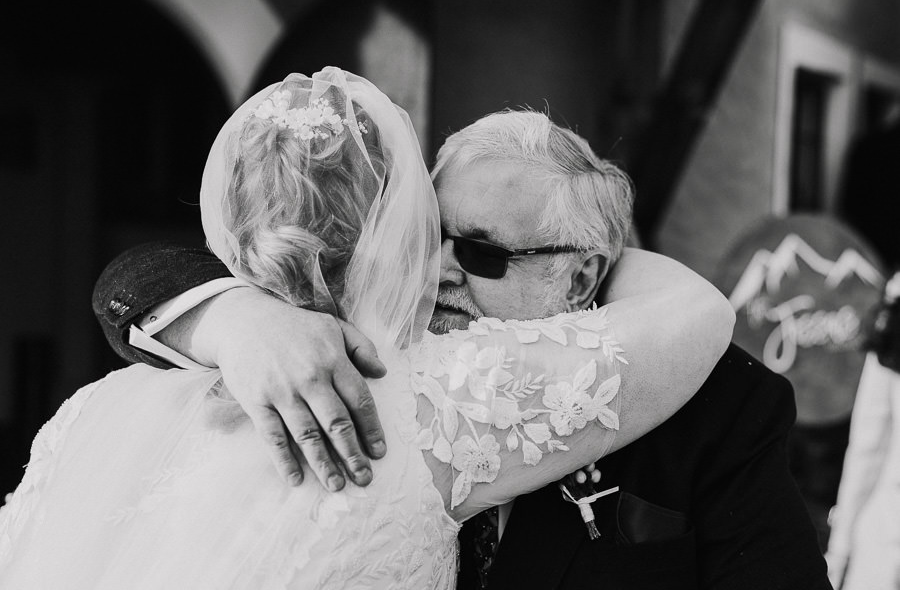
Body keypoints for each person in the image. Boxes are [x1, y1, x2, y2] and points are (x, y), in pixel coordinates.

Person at [0, 69, 734, 589]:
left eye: (480, 252)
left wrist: (225, 312)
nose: (445, 266)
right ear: (400, 228)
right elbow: (698, 310)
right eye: (435, 233)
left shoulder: (92, 411)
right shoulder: (431, 403)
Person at [826, 272, 900, 589]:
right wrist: (840, 550)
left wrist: (839, 551)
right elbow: (868, 445)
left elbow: (869, 445)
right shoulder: (895, 308)